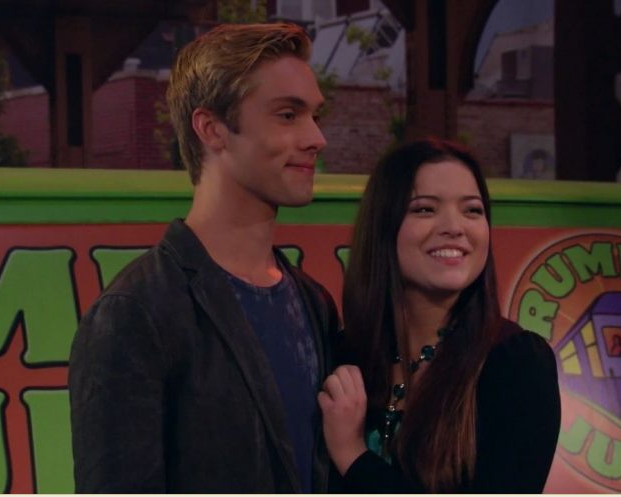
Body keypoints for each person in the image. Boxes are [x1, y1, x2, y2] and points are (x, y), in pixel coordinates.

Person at [68, 23, 339, 493]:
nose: (317, 138)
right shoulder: (135, 313)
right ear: (212, 129)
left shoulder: (313, 303)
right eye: (288, 115)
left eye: (314, 116)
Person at [317, 138, 561, 493]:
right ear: (383, 227)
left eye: (472, 210)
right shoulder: (342, 355)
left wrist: (352, 455)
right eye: (425, 209)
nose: (454, 227)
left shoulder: (516, 362)